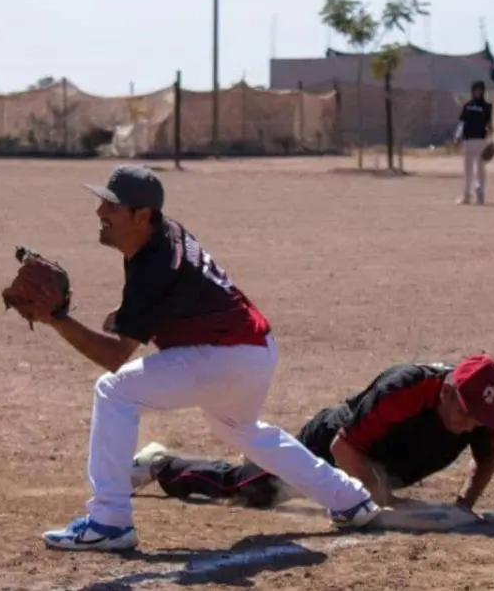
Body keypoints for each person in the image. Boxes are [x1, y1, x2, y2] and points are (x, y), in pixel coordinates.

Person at [28, 164, 381, 552]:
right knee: (240, 428)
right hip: (255, 350)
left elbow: (115, 356)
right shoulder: (163, 235)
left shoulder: (154, 263)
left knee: (114, 391)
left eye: (112, 206)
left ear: (141, 216)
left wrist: (58, 320)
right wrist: (127, 314)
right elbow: (175, 293)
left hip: (224, 356)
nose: (100, 213)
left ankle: (109, 520)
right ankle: (349, 498)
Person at [129, 354, 494, 515]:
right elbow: (344, 445)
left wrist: (465, 504)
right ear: (446, 391)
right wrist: (384, 501)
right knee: (254, 489)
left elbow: (486, 458)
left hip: (371, 460)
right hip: (330, 443)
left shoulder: (479, 411)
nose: (472, 423)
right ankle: (160, 465)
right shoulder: (405, 389)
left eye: (481, 416)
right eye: (466, 412)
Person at [455, 80, 494, 206]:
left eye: (480, 89)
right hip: (467, 140)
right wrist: (457, 135)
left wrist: (491, 140)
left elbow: (489, 124)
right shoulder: (467, 105)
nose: (478, 92)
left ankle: (480, 194)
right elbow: (462, 122)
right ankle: (466, 196)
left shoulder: (487, 106)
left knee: (480, 169)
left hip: (481, 140)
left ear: (483, 91)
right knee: (467, 169)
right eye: (476, 89)